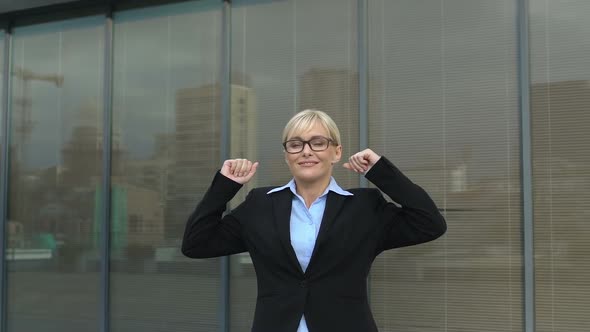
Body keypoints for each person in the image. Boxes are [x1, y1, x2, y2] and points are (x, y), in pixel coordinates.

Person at [182, 109, 447, 332]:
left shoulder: (365, 207)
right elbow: (196, 244)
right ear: (287, 155)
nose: (306, 151)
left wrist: (380, 172)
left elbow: (430, 223)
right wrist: (225, 186)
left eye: (318, 142)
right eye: (295, 144)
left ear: (336, 152)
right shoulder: (260, 204)